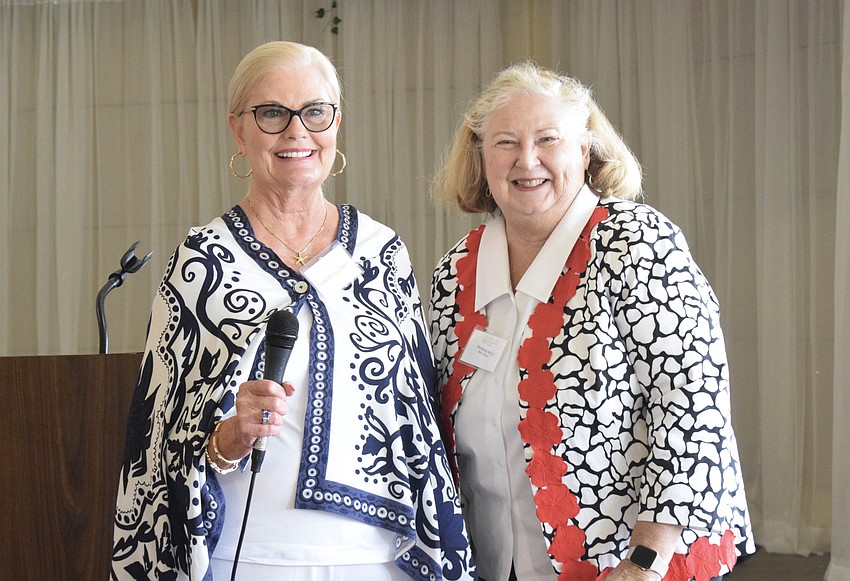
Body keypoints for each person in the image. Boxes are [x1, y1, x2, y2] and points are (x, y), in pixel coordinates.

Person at [111, 41, 476, 581]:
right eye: (272, 113)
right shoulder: (200, 262)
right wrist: (227, 438)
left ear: (336, 125)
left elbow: (420, 423)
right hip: (248, 554)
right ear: (238, 129)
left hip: (379, 558)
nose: (296, 131)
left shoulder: (382, 253)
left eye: (315, 112)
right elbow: (158, 439)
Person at [429, 62, 755, 581]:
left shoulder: (638, 242)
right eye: (505, 142)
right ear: (480, 158)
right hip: (493, 560)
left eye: (548, 139)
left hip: (626, 563)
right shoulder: (455, 270)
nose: (526, 160)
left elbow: (693, 406)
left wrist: (646, 561)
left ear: (584, 152)